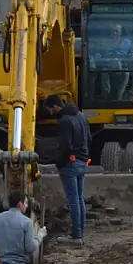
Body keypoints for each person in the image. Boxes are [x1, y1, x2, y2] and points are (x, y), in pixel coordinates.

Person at [44, 94, 90, 247]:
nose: (51, 113)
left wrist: (59, 162)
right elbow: (88, 138)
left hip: (70, 164)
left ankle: (76, 236)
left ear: (55, 107)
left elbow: (65, 146)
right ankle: (80, 232)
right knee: (79, 197)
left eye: (50, 110)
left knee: (73, 199)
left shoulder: (64, 121)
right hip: (82, 161)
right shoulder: (81, 116)